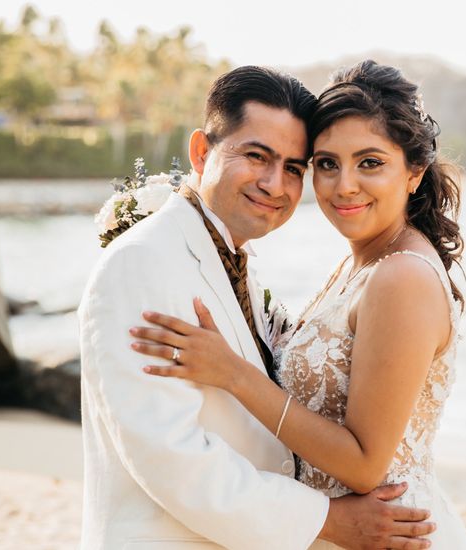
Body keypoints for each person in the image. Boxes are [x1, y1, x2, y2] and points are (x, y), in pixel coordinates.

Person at [79, 65, 436, 550]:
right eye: (256, 156)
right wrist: (326, 521)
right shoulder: (143, 262)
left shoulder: (240, 258)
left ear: (413, 173)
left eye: (293, 167)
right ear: (202, 152)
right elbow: (168, 455)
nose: (275, 184)